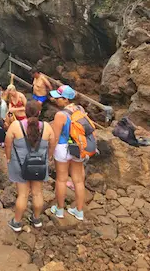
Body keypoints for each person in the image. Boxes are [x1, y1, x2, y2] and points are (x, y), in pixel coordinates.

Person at [5, 100, 56, 232]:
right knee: (37, 193)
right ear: (39, 113)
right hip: (39, 166)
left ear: (25, 112)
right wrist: (48, 157)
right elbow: (52, 145)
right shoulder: (47, 127)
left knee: (23, 195)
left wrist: (9, 157)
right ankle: (37, 219)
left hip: (20, 166)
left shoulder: (16, 126)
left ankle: (16, 222)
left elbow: (8, 144)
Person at [50, 85, 86, 221]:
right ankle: (79, 211)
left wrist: (50, 152)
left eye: (58, 98)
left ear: (65, 99)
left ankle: (59, 210)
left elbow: (55, 137)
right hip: (78, 147)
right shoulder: (81, 109)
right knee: (78, 179)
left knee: (61, 179)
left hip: (63, 148)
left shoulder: (60, 115)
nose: (55, 100)